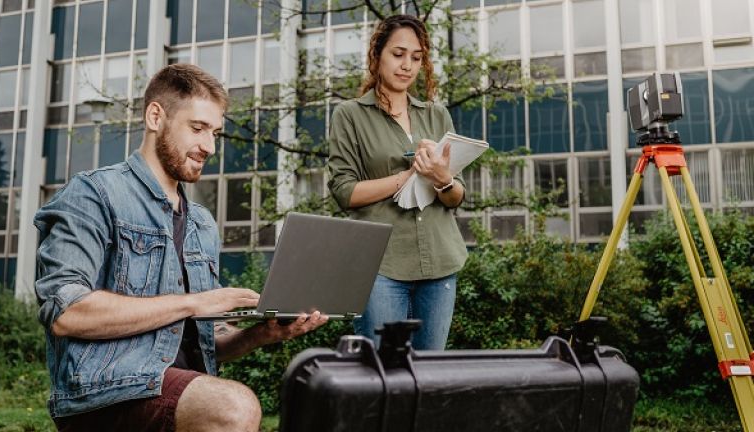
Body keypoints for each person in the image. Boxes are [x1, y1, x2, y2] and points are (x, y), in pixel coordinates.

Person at [34, 64, 328, 432]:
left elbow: (200, 341)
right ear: (156, 116)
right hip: (104, 394)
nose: (209, 146)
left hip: (175, 389)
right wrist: (195, 302)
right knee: (234, 407)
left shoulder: (201, 222)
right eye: (198, 128)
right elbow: (68, 313)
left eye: (216, 132)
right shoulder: (93, 194)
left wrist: (259, 334)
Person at [327, 14, 468, 351]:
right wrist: (407, 176)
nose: (407, 65)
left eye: (416, 58)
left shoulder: (437, 115)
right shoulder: (349, 115)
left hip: (440, 261)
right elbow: (345, 192)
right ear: (377, 56)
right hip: (381, 265)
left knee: (427, 374)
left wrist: (442, 178)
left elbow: (456, 197)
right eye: (398, 54)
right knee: (381, 375)